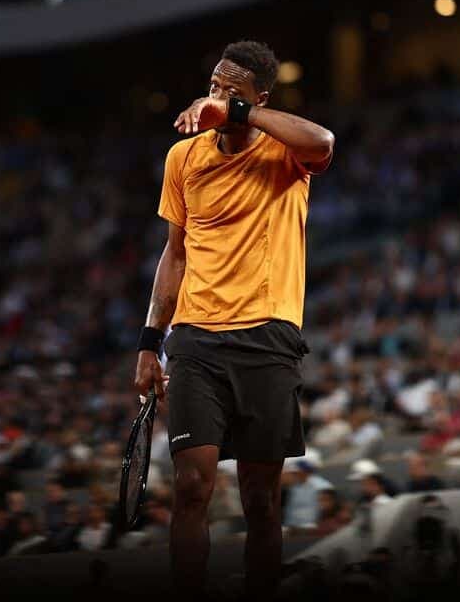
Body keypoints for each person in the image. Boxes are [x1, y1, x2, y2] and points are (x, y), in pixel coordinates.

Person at [132, 41, 334, 599]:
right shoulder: (183, 159)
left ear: (258, 99)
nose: (217, 96)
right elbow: (175, 254)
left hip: (268, 336)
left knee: (261, 501)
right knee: (192, 486)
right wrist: (150, 341)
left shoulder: (285, 153)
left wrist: (238, 114)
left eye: (233, 91)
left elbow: (324, 142)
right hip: (195, 339)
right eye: (215, 86)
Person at [283, 451, 333, 530]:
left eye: (296, 472)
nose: (295, 474)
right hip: (290, 527)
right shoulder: (291, 486)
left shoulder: (322, 486)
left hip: (312, 528)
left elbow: (326, 509)